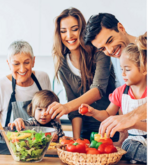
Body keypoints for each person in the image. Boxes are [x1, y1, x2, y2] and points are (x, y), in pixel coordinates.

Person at [47, 8, 117, 140]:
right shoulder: (62, 65)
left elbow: (98, 90)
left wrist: (66, 106)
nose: (69, 36)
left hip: (111, 129)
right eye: (63, 31)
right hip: (85, 132)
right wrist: (76, 139)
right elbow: (74, 111)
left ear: (83, 30)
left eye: (74, 29)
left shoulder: (100, 53)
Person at [79, 34, 147, 163]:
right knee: (129, 147)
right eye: (121, 69)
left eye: (127, 69)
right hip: (134, 141)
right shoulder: (120, 92)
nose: (122, 74)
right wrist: (93, 112)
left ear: (144, 69)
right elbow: (108, 114)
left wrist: (131, 123)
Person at [84, 13, 147, 137]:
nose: (110, 51)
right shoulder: (118, 60)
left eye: (110, 40)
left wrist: (131, 118)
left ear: (121, 28)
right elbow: (122, 105)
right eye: (102, 49)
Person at [0, 41, 51, 149]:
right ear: (8, 64)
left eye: (27, 62)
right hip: (8, 148)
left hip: (39, 147)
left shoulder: (43, 78)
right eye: (16, 63)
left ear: (33, 61)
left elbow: (52, 113)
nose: (22, 69)